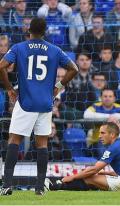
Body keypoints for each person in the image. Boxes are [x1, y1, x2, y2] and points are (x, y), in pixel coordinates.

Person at [0, 17, 78, 195]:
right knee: (42, 144)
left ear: (29, 29)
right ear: (45, 32)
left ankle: (7, 185)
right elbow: (74, 68)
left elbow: (1, 66)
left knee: (14, 140)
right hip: (45, 103)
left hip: (26, 101)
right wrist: (58, 87)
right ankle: (39, 187)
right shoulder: (55, 50)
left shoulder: (19, 47)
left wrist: (9, 89)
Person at [45, 122, 120, 192]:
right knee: (96, 178)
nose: (100, 136)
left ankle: (56, 186)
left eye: (103, 133)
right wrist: (107, 172)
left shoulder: (114, 147)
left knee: (91, 178)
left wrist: (72, 177)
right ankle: (63, 187)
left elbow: (94, 169)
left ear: (112, 134)